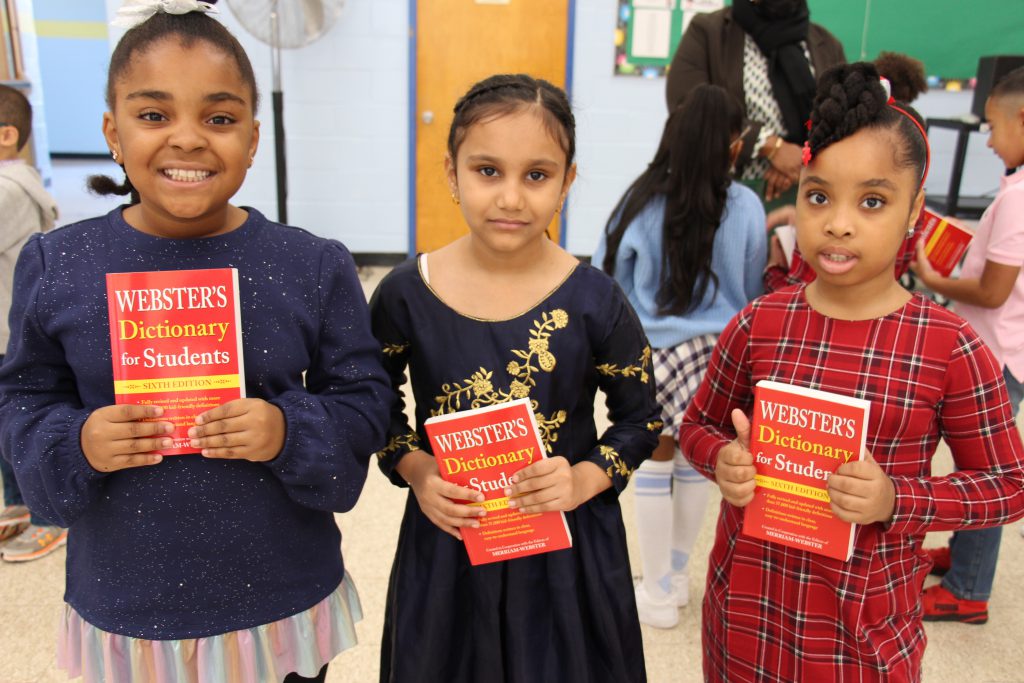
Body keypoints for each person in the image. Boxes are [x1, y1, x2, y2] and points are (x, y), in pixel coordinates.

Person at [0, 2, 392, 682]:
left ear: (253, 136)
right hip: (127, 599)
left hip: (279, 593)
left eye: (219, 118)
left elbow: (365, 405)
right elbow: (23, 400)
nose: (187, 138)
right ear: (111, 131)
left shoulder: (313, 265)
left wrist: (285, 429)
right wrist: (80, 440)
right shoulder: (58, 264)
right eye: (153, 115)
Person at [678, 62, 1024, 681]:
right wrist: (721, 460)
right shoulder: (759, 323)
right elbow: (698, 425)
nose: (838, 222)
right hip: (746, 619)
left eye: (871, 200)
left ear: (915, 208)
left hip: (861, 637)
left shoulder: (949, 345)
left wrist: (897, 497)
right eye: (818, 196)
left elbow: (1008, 484)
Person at [371, 74, 660, 682]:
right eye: (487, 171)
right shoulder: (406, 294)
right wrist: (417, 470)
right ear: (451, 172)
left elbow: (642, 420)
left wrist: (586, 478)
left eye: (536, 175)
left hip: (567, 555)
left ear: (567, 181)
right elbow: (372, 402)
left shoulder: (595, 299)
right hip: (451, 544)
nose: (510, 198)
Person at [592, 84, 766, 629]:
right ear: (733, 146)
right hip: (717, 358)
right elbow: (755, 289)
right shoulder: (747, 205)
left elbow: (606, 281)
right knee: (696, 464)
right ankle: (677, 575)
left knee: (654, 462)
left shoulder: (639, 200)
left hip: (652, 355)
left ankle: (658, 591)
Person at [911, 65, 1024, 625]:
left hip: (1000, 353)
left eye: (994, 124)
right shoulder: (1015, 191)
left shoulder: (1020, 197)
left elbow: (994, 288)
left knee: (983, 471)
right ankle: (962, 556)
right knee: (970, 463)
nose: (987, 137)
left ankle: (968, 588)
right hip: (1000, 347)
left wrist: (932, 279)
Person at [666, 0, 845, 204]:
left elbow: (843, 122)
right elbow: (688, 109)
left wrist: (801, 159)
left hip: (806, 197)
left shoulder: (826, 44)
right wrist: (770, 146)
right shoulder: (707, 32)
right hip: (721, 198)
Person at [0, 84, 63, 559]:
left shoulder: (10, 190)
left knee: (23, 418)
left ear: (6, 136)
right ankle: (18, 504)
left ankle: (47, 517)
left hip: (9, 332)